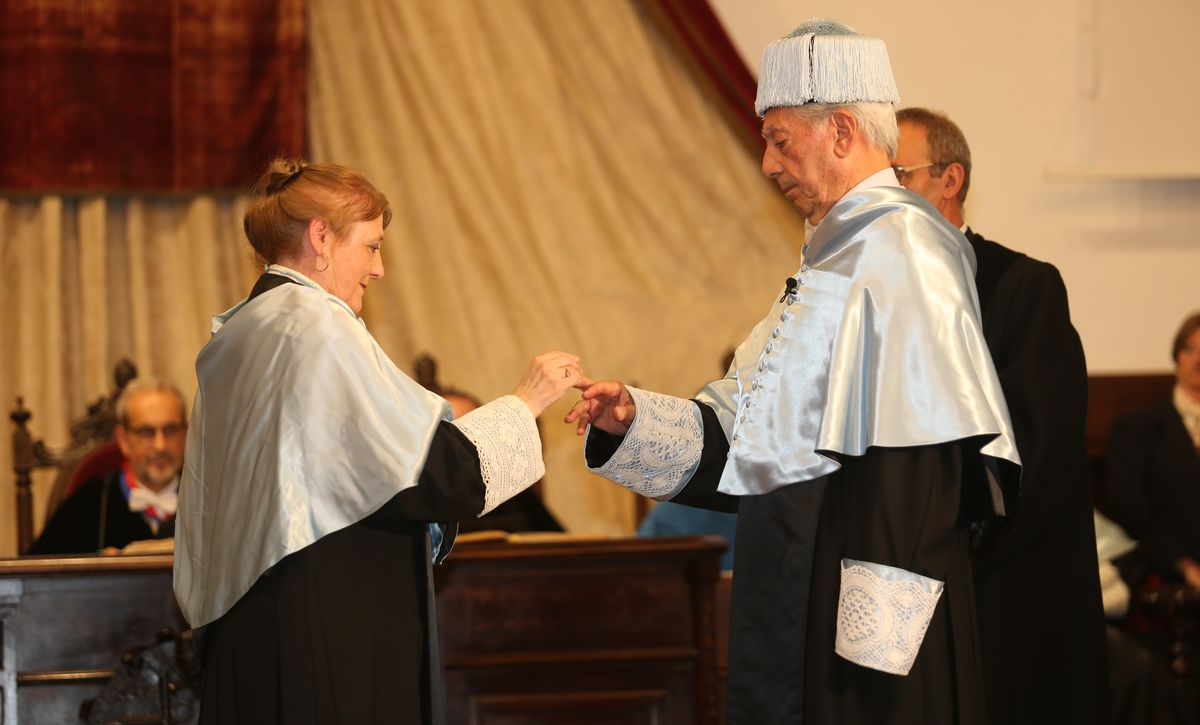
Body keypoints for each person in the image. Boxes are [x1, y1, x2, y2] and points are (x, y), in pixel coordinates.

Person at [568, 20, 1020, 725]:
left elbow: (914, 470)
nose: (768, 166)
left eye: (781, 141)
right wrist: (633, 419)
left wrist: (872, 658)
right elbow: (750, 435)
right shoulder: (836, 260)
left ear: (842, 131)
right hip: (810, 593)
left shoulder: (903, 253)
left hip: (870, 640)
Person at [173, 158, 584, 724]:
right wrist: (526, 402)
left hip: (258, 626)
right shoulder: (313, 326)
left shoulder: (249, 327)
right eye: (370, 246)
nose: (380, 268)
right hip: (324, 630)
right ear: (321, 237)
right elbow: (422, 472)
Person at [893, 107, 1110, 724]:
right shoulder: (872, 301)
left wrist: (954, 555)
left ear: (949, 179)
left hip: (1006, 593)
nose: (882, 196)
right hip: (909, 598)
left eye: (898, 175)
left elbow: (1039, 455)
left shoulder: (1022, 288)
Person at [31, 378, 187, 554]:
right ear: (123, 439)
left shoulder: (211, 499)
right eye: (146, 432)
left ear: (186, 433)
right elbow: (38, 574)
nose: (160, 445)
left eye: (170, 430)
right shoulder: (90, 502)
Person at [1108, 312, 1200, 588]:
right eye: (1190, 349)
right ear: (1177, 357)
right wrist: (1184, 565)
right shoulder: (1138, 427)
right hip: (1168, 573)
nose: (1198, 360)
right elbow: (1131, 508)